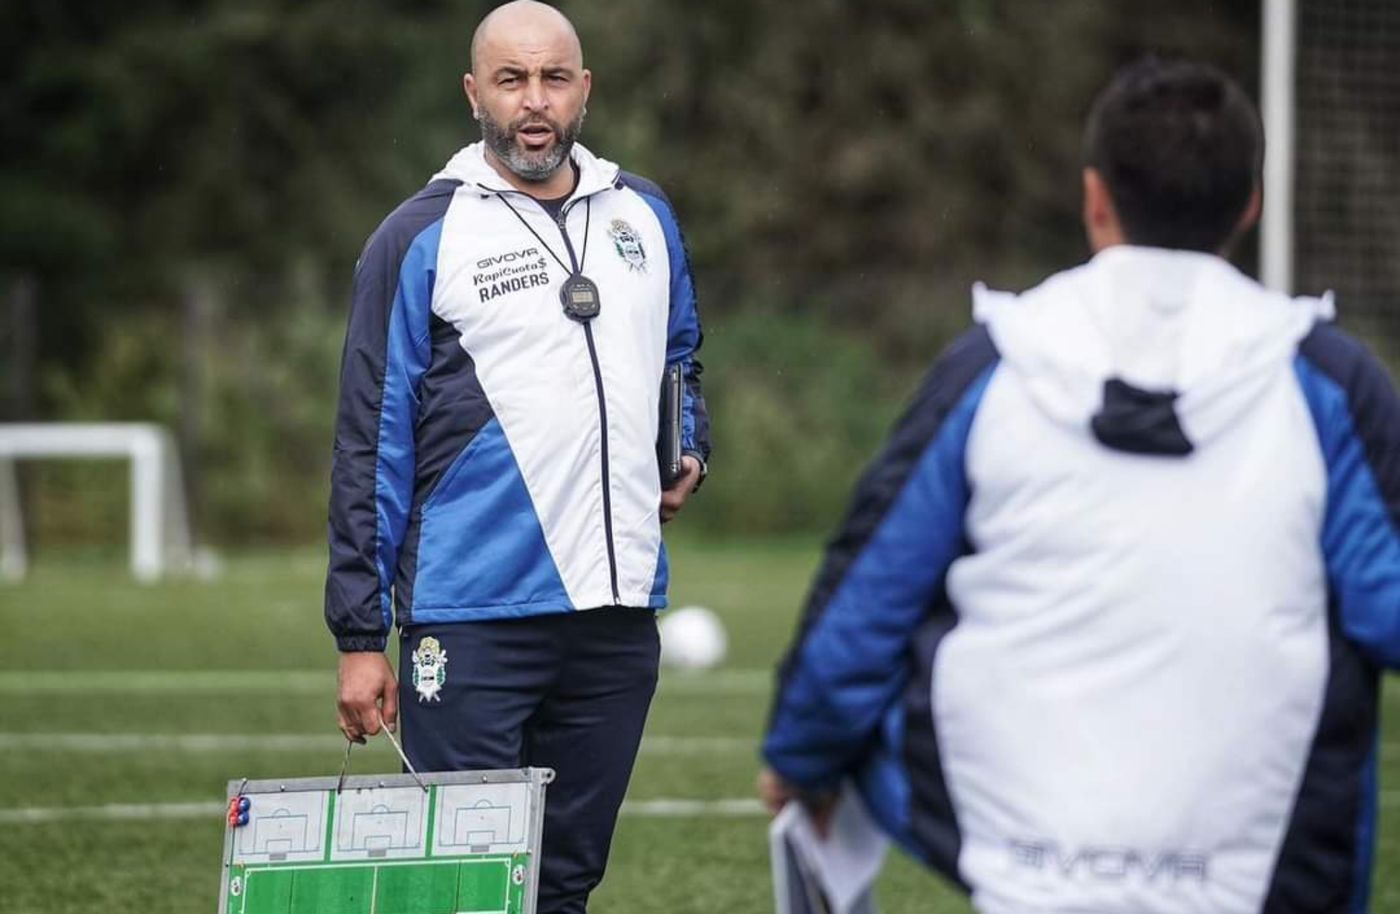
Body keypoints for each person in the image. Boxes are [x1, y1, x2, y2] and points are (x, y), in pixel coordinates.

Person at [761, 57, 1400, 914]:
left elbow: (871, 590)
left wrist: (800, 760)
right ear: (1251, 202)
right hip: (1275, 872)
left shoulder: (996, 362)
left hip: (1014, 850)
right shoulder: (1328, 382)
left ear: (1096, 200)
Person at [323, 3, 710, 910]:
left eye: (552, 78)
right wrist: (356, 635)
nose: (533, 102)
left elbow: (681, 356)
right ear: (473, 93)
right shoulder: (418, 237)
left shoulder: (645, 214)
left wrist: (687, 446)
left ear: (584, 88)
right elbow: (368, 436)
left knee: (564, 884)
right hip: (470, 618)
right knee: (466, 889)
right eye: (511, 80)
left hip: (615, 617)